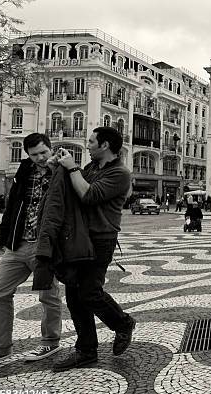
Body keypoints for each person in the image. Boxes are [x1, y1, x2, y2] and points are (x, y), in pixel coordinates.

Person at [53, 127, 136, 372]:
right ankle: (86, 350)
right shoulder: (91, 168)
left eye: (91, 142)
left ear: (105, 145)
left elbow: (88, 195)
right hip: (79, 236)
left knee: (89, 291)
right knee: (73, 295)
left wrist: (71, 167)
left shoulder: (120, 173)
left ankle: (122, 323)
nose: (87, 145)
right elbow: (73, 189)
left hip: (101, 238)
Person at [0, 133, 63, 368]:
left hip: (44, 246)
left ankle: (50, 340)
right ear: (28, 155)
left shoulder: (62, 169)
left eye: (43, 152)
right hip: (17, 244)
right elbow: (14, 204)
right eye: (34, 154)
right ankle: (0, 348)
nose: (40, 157)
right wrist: (2, 235)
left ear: (51, 149)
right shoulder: (24, 171)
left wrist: (55, 169)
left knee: (48, 295)